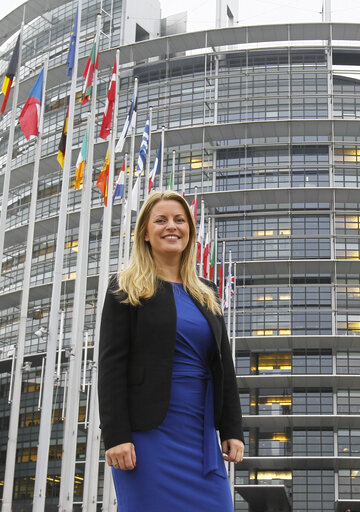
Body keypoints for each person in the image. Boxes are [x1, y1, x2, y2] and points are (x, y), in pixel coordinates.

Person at [98, 190, 244, 511]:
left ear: (190, 231)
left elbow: (224, 366)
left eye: (180, 220)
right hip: (146, 438)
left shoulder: (207, 293)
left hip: (200, 433)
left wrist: (233, 428)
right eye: (160, 220)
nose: (171, 226)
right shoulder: (125, 288)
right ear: (145, 233)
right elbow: (111, 367)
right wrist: (116, 436)